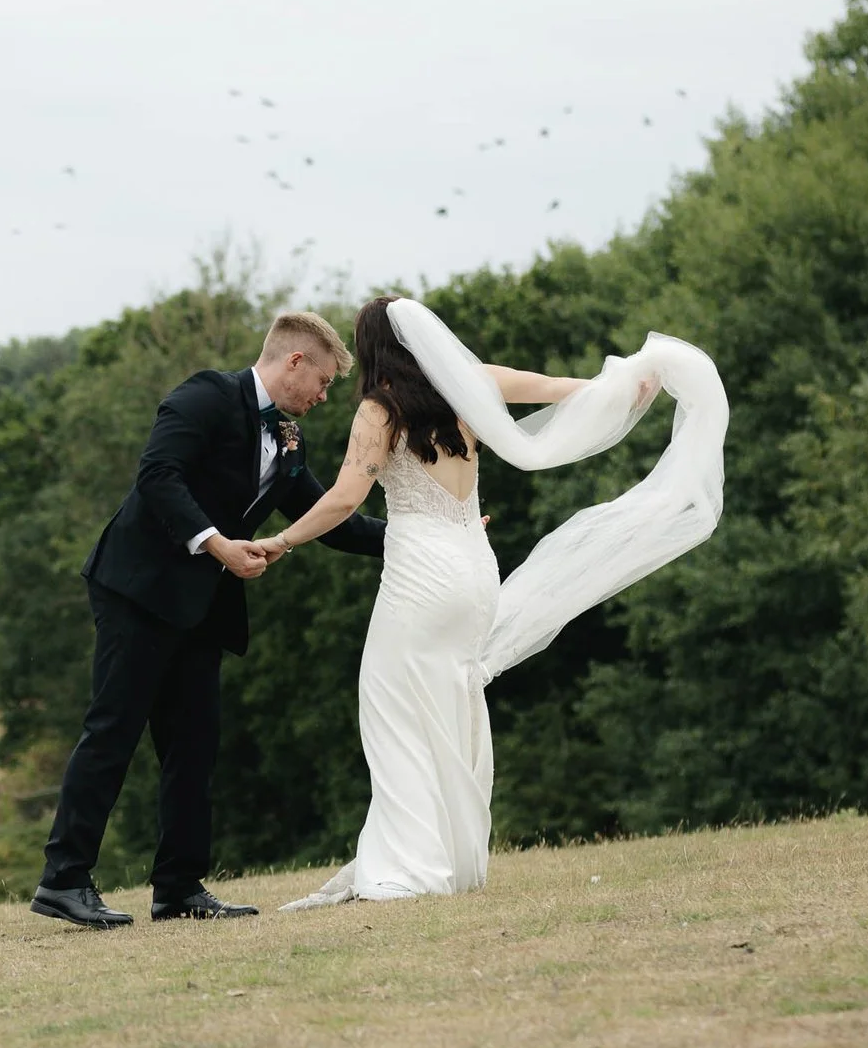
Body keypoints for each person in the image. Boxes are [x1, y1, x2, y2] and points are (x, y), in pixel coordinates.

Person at [257, 296, 723, 906]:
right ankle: (452, 856)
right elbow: (564, 388)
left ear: (373, 349)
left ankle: (411, 863)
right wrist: (633, 383)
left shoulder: (380, 410)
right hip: (476, 568)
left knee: (392, 704)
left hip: (421, 572)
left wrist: (282, 539)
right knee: (452, 699)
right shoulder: (475, 384)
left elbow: (346, 498)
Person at [29, 311, 385, 929]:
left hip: (201, 609)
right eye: (323, 382)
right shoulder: (204, 395)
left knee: (194, 746)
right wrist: (215, 543)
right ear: (293, 362)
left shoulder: (290, 438)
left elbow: (335, 518)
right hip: (138, 590)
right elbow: (157, 477)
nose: (325, 397)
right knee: (113, 731)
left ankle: (179, 888)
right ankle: (63, 880)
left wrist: (420, 535)